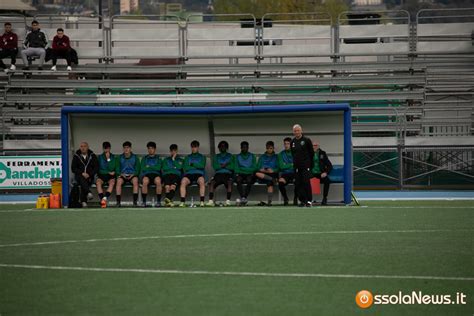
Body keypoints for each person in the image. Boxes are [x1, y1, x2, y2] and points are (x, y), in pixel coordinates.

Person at [291, 124, 314, 207]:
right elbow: (293, 154)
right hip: (297, 167)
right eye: (295, 131)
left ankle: (309, 201)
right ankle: (302, 201)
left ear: (301, 131)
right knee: (298, 184)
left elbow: (311, 153)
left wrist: (309, 165)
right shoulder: (292, 142)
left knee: (306, 183)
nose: (297, 132)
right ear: (293, 132)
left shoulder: (307, 140)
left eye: (298, 130)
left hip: (305, 166)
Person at [71, 141, 99, 208]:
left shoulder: (92, 155)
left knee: (84, 182)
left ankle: (84, 201)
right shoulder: (76, 156)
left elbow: (96, 167)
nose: (83, 148)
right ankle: (88, 193)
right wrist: (82, 173)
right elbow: (73, 168)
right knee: (82, 178)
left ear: (88, 147)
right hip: (79, 176)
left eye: (84, 146)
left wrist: (89, 174)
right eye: (81, 146)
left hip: (90, 177)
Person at [179, 140, 206, 207]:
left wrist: (192, 164)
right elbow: (186, 168)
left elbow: (202, 166)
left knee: (202, 181)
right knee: (183, 181)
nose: (194, 149)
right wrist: (196, 165)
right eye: (192, 147)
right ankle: (182, 202)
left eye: (195, 147)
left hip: (199, 174)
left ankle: (202, 202)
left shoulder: (202, 157)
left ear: (198, 148)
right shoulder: (187, 157)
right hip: (189, 174)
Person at [206, 140, 234, 207]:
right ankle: (210, 201)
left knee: (230, 183)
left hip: (228, 174)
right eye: (221, 146)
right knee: (212, 183)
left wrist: (221, 165)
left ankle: (228, 201)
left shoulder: (230, 156)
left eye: (224, 146)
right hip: (218, 174)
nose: (222, 147)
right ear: (219, 148)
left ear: (227, 148)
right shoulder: (216, 156)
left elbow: (232, 167)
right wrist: (226, 165)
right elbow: (215, 167)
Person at [116, 141, 141, 207]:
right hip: (123, 175)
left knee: (135, 181)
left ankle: (135, 202)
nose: (126, 149)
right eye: (124, 148)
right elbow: (117, 168)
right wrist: (121, 174)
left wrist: (134, 174)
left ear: (130, 148)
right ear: (123, 149)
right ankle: (118, 202)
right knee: (118, 181)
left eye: (128, 147)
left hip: (132, 175)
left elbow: (138, 169)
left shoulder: (135, 157)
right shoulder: (119, 157)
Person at [255, 141, 279, 206]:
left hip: (272, 173)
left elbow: (278, 168)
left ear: (273, 148)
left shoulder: (276, 157)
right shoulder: (262, 157)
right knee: (257, 173)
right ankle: (272, 179)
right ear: (266, 148)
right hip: (263, 174)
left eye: (271, 148)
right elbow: (258, 167)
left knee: (269, 183)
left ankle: (269, 202)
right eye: (268, 148)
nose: (269, 150)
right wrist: (262, 169)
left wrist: (272, 170)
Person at [234, 141, 257, 206]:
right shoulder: (237, 156)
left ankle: (244, 197)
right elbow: (236, 169)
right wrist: (247, 170)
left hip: (249, 174)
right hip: (241, 174)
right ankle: (243, 197)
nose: (244, 148)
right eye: (243, 147)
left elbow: (255, 168)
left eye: (246, 147)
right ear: (240, 148)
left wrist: (243, 169)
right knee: (238, 180)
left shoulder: (252, 156)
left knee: (249, 180)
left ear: (248, 148)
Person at [140, 141, 162, 207]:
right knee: (145, 181)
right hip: (147, 174)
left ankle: (158, 202)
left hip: (156, 174)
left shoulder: (158, 158)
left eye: (152, 148)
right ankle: (144, 202)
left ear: (155, 149)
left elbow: (158, 168)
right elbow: (143, 168)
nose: (150, 150)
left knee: (158, 181)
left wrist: (149, 167)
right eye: (149, 148)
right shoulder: (144, 158)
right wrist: (153, 167)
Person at [96, 141, 117, 208]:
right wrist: (107, 172)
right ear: (103, 148)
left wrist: (108, 159)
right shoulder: (100, 157)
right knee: (98, 182)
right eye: (105, 148)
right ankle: (103, 200)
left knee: (112, 182)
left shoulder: (113, 157)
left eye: (107, 148)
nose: (106, 150)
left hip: (110, 177)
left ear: (110, 148)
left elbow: (112, 168)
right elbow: (99, 170)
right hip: (102, 176)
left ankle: (104, 198)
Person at [312, 141, 333, 205]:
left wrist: (326, 173)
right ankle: (306, 199)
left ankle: (324, 198)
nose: (314, 147)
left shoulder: (322, 153)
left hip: (320, 174)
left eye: (316, 145)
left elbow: (330, 165)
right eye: (313, 145)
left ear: (318, 146)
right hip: (311, 173)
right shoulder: (308, 153)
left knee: (327, 181)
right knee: (303, 180)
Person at [278, 137, 297, 206]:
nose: (286, 145)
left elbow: (297, 165)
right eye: (285, 144)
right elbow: (281, 167)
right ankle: (285, 198)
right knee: (280, 183)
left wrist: (286, 165)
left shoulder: (295, 153)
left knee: (298, 182)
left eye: (288, 144)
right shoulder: (280, 154)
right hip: (285, 174)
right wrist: (291, 164)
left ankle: (296, 198)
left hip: (294, 173)